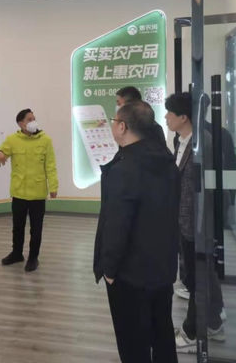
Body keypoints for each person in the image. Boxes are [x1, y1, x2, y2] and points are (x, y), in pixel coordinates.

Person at [94, 101, 180, 363]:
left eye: (114, 120)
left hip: (130, 274)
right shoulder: (167, 161)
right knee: (162, 333)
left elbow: (117, 224)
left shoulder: (124, 168)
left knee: (132, 342)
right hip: (162, 267)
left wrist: (109, 270)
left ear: (122, 126)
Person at [165, 92, 226, 354]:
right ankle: (213, 322)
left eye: (170, 113)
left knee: (197, 278)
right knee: (201, 274)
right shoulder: (180, 140)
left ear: (183, 117)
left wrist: (208, 225)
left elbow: (211, 189)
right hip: (184, 221)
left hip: (199, 223)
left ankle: (192, 331)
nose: (166, 117)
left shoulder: (204, 144)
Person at [0, 109, 58, 272]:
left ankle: (33, 257)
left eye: (34, 118)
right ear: (21, 124)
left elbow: (50, 165)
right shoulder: (12, 140)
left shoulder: (45, 140)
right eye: (29, 119)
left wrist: (53, 186)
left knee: (36, 228)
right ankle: (17, 253)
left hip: (38, 192)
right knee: (17, 226)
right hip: (19, 191)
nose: (33, 121)